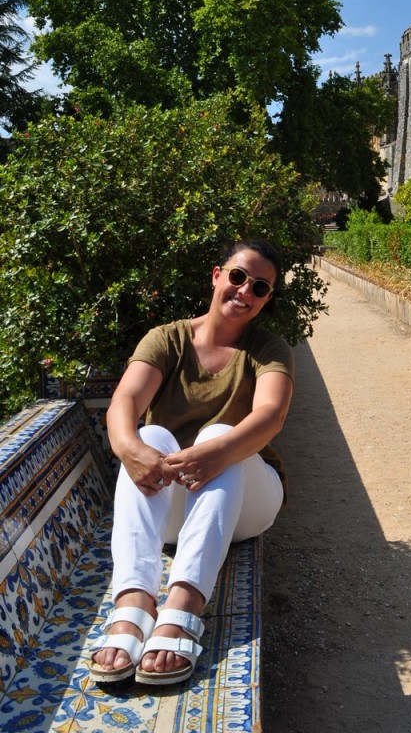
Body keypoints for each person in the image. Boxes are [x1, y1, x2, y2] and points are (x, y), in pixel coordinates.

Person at [89, 238, 294, 686]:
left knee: (225, 435)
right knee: (149, 435)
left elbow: (270, 414)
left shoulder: (268, 348)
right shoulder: (168, 338)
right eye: (238, 277)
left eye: (259, 288)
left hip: (245, 505)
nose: (245, 291)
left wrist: (216, 451)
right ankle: (134, 604)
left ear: (266, 299)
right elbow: (125, 399)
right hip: (172, 507)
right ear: (217, 276)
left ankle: (182, 606)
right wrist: (129, 448)